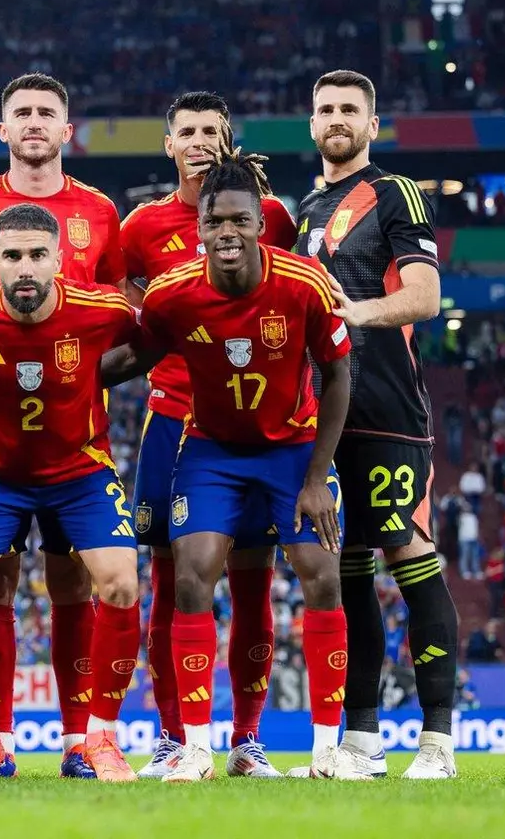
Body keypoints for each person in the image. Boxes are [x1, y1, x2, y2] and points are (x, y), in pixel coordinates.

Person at [103, 151, 359, 780]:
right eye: (214, 221)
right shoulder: (173, 294)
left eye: (239, 220)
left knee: (322, 576)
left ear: (260, 225)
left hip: (293, 447)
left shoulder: (304, 283)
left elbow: (337, 375)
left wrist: (317, 478)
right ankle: (195, 748)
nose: (226, 232)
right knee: (191, 579)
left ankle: (326, 751)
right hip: (211, 450)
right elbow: (136, 358)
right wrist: (65, 375)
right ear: (199, 228)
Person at [0, 72, 128, 777]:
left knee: (76, 587)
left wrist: (86, 375)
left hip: (78, 444)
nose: (35, 122)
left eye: (47, 112)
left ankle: (81, 740)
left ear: (67, 130)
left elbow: (127, 317)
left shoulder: (99, 211)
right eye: (22, 113)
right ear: (3, 129)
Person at [117, 90, 298, 779]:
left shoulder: (272, 216)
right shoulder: (141, 228)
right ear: (168, 144)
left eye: (210, 131)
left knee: (254, 584)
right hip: (173, 421)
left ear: (228, 140)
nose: (198, 141)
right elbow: (131, 313)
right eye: (186, 131)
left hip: (256, 429)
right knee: (171, 583)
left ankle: (247, 741)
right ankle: (174, 737)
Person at [294, 70, 455, 779]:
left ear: (372, 124)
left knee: (408, 558)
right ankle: (360, 743)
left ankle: (438, 743)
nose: (336, 119)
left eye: (349, 110)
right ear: (311, 124)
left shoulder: (396, 193)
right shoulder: (306, 209)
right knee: (347, 574)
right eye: (325, 109)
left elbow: (425, 296)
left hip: (389, 412)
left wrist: (355, 312)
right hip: (325, 420)